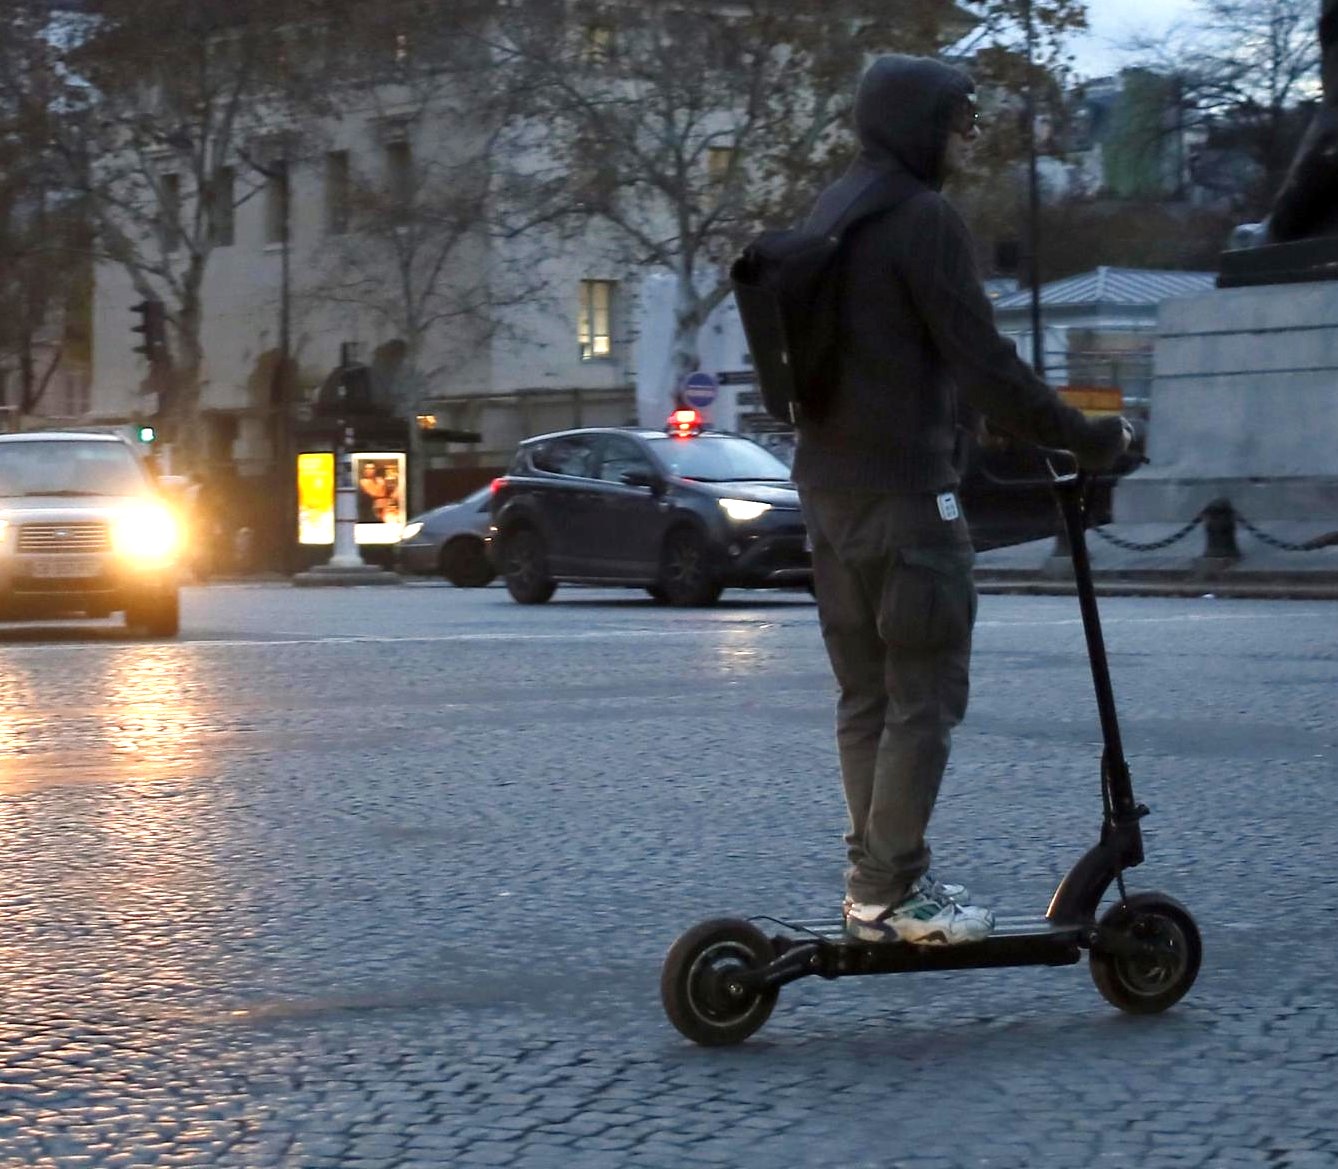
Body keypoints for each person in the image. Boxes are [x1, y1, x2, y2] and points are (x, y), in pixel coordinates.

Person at [793, 55, 1132, 947]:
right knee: (925, 694)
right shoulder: (921, 218)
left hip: (828, 494)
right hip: (907, 499)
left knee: (866, 696)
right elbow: (986, 364)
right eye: (961, 121)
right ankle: (891, 892)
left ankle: (873, 883)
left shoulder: (834, 211)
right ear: (917, 123)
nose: (969, 139)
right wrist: (1087, 436)